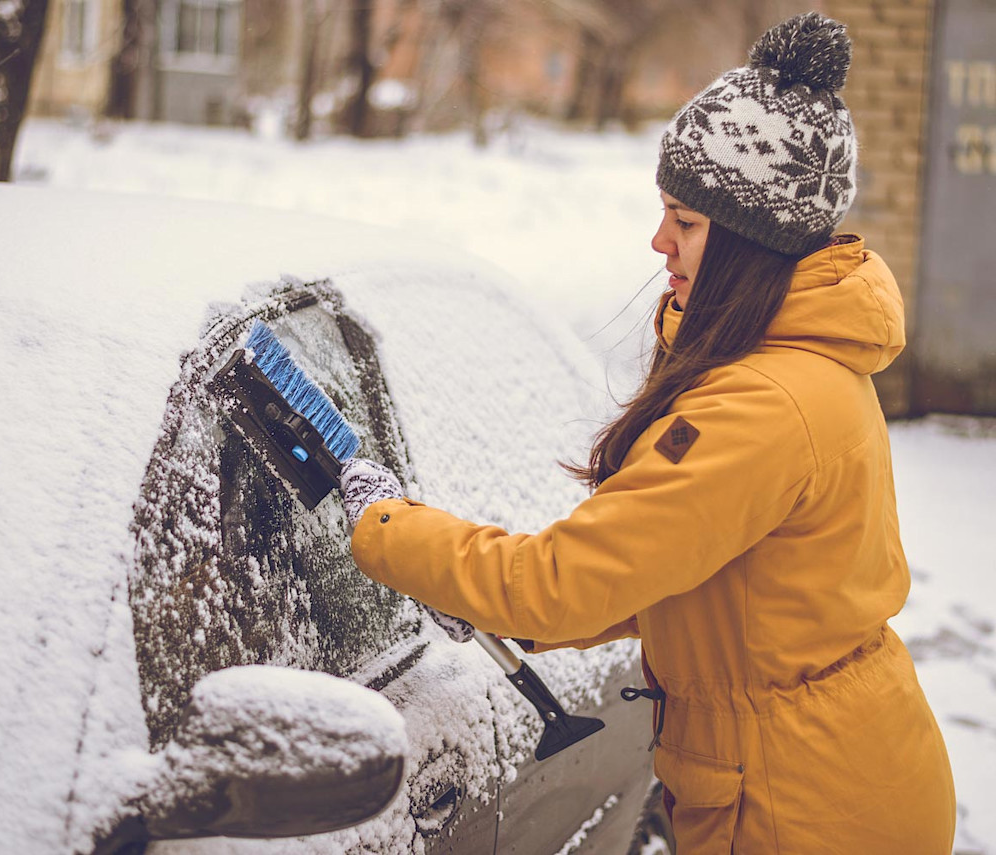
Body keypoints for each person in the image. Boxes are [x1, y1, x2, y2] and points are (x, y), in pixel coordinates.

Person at [338, 12, 956, 854]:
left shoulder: (762, 406)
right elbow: (689, 578)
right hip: (834, 766)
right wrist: (483, 598)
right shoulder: (806, 363)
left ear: (751, 243)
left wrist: (383, 526)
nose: (658, 242)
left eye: (686, 222)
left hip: (801, 809)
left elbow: (564, 582)